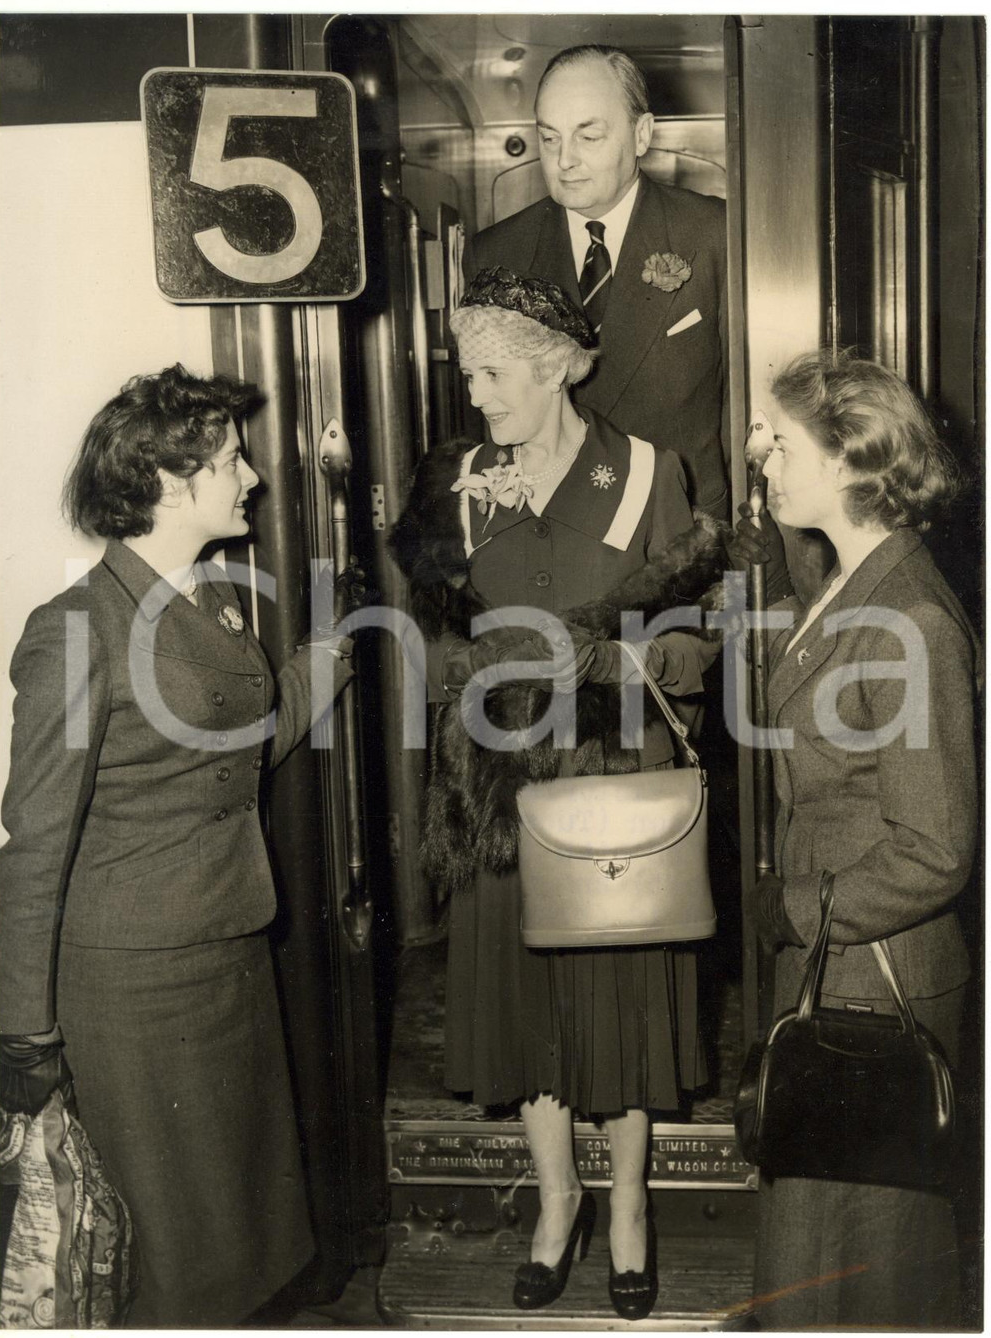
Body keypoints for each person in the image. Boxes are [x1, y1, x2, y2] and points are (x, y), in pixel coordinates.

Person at [390, 268, 757, 1319]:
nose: (478, 394)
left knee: (622, 1009)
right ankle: (557, 1208)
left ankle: (629, 1209)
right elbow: (435, 629)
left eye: (494, 372)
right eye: (469, 373)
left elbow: (690, 644)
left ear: (554, 370)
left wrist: (625, 662)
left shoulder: (649, 473)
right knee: (527, 1011)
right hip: (501, 784)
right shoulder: (456, 481)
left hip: (611, 774)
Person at [0, 365, 355, 1326]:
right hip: (133, 989)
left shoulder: (198, 604)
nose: (252, 479)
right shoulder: (76, 630)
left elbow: (236, 752)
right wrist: (25, 1034)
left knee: (238, 1233)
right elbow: (33, 842)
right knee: (174, 1253)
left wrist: (320, 670)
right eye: (233, 460)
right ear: (166, 481)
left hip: (227, 954)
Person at [749, 351, 978, 1328]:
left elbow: (933, 849)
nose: (759, 454)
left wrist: (794, 910)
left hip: (874, 981)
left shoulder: (910, 617)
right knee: (822, 1264)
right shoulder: (846, 582)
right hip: (831, 968)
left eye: (782, 441)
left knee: (861, 1275)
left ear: (850, 459)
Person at [465, 44, 729, 519]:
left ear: (642, 134)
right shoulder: (497, 253)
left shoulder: (711, 233)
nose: (565, 160)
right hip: (558, 531)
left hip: (683, 534)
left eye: (588, 137)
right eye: (549, 139)